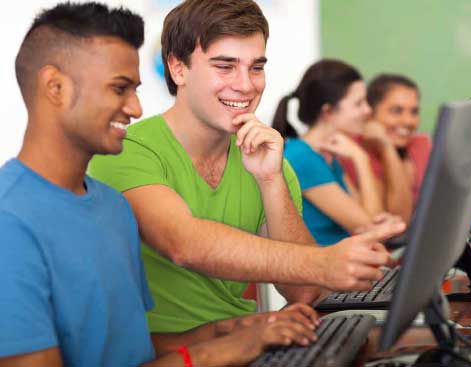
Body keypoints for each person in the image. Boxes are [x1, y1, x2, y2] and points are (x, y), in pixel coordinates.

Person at [0, 3, 321, 367]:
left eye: (134, 89)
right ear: (55, 87)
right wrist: (217, 351)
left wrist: (238, 331)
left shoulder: (110, 206)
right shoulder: (9, 222)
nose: (136, 108)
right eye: (119, 88)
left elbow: (126, 349)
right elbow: (184, 244)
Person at [89, 0, 404, 337]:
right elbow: (182, 243)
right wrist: (322, 262)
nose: (246, 84)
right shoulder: (126, 148)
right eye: (225, 66)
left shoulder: (268, 160)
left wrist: (271, 180)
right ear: (178, 68)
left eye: (256, 67)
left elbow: (305, 292)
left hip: (248, 344)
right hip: (159, 354)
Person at [272, 59, 393, 246]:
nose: (368, 110)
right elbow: (372, 228)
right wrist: (360, 158)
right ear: (328, 111)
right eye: (358, 103)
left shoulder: (326, 156)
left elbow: (371, 218)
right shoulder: (302, 158)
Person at [342, 74, 432, 223]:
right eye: (396, 111)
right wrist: (387, 148)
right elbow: (400, 217)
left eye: (414, 112)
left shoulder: (421, 144)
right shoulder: (352, 152)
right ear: (369, 114)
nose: (408, 121)